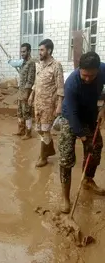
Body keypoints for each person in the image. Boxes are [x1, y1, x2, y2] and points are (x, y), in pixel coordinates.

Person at [58, 51, 105, 213]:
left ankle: (88, 180)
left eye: (91, 76)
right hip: (70, 117)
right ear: (79, 69)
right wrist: (84, 139)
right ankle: (65, 197)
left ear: (98, 70)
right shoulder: (71, 82)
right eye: (84, 75)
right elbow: (72, 114)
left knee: (96, 148)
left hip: (90, 115)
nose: (87, 79)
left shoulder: (103, 70)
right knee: (66, 157)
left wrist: (103, 109)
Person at [28, 39, 64, 167]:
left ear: (49, 50)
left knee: (45, 130)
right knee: (39, 129)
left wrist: (59, 104)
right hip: (38, 104)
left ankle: (43, 157)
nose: (40, 53)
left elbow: (60, 87)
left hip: (49, 104)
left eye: (42, 50)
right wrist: (32, 95)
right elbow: (37, 82)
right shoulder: (39, 65)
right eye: (39, 50)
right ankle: (50, 150)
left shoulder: (56, 66)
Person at [8, 43, 36, 139]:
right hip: (21, 91)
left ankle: (28, 133)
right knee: (20, 112)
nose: (22, 53)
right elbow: (14, 63)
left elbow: (30, 80)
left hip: (26, 92)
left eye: (24, 51)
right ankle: (21, 130)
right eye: (21, 52)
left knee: (27, 113)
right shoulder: (23, 62)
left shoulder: (31, 63)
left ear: (29, 51)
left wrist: (26, 94)